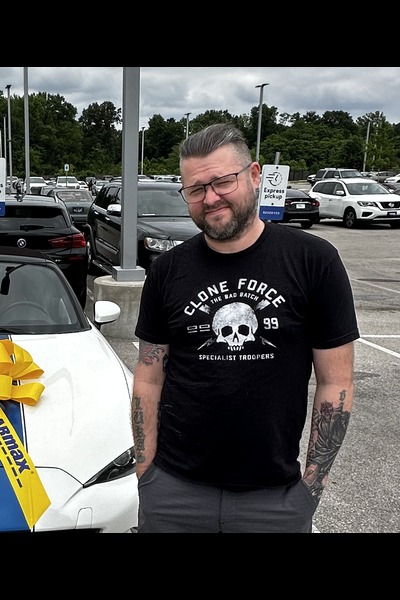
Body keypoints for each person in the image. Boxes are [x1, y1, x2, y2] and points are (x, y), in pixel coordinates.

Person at [131, 123, 360, 533]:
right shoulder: (167, 270)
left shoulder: (314, 260)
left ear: (254, 175)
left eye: (223, 182)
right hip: (173, 493)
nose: (210, 198)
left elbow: (336, 381)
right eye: (195, 189)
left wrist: (312, 485)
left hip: (275, 498)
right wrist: (146, 473)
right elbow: (149, 377)